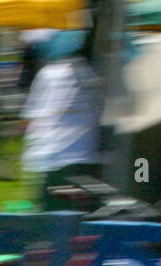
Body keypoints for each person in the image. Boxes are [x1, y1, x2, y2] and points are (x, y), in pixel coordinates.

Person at [20, 32, 102, 212]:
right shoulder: (92, 74)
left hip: (51, 157)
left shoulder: (48, 74)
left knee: (51, 214)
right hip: (83, 156)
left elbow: (31, 116)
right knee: (79, 213)